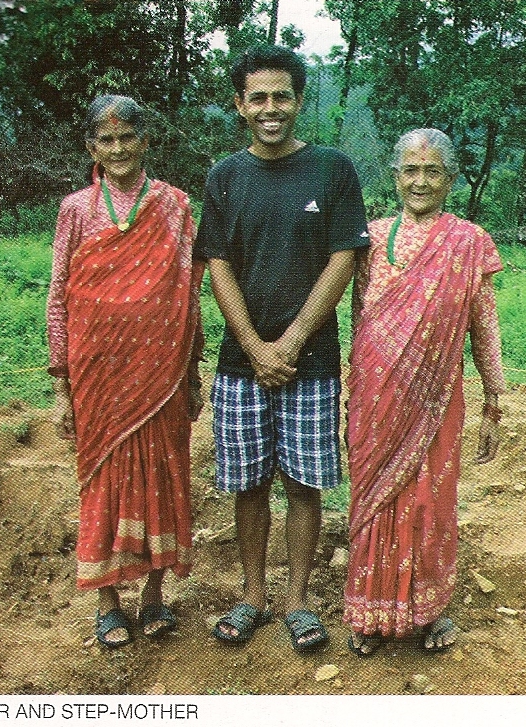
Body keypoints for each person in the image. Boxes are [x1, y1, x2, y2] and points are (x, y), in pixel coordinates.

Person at [194, 45, 369, 652]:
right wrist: (253, 344)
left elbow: (344, 256)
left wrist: (291, 340)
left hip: (310, 361)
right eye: (258, 98)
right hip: (241, 365)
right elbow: (217, 264)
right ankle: (252, 595)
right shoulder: (224, 176)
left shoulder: (333, 170)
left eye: (283, 97)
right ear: (240, 106)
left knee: (303, 484)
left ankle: (295, 599)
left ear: (299, 101)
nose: (272, 109)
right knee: (248, 484)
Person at [46, 95, 205, 648]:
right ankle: (109, 602)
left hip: (160, 370)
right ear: (92, 148)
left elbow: (189, 289)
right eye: (106, 141)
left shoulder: (175, 205)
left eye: (127, 138)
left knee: (163, 474)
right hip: (97, 372)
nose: (118, 149)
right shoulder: (75, 209)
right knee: (104, 480)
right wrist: (62, 383)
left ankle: (155, 597)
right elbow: (59, 295)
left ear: (144, 140)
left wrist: (192, 369)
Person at [344, 128, 505, 657]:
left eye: (431, 171)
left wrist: (494, 398)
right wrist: (355, 384)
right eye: (410, 170)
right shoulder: (371, 236)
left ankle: (429, 610)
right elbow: (360, 317)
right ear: (394, 177)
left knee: (431, 500)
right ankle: (369, 612)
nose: (420, 181)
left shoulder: (468, 241)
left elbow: (484, 323)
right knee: (372, 498)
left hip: (436, 397)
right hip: (375, 392)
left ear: (450, 179)